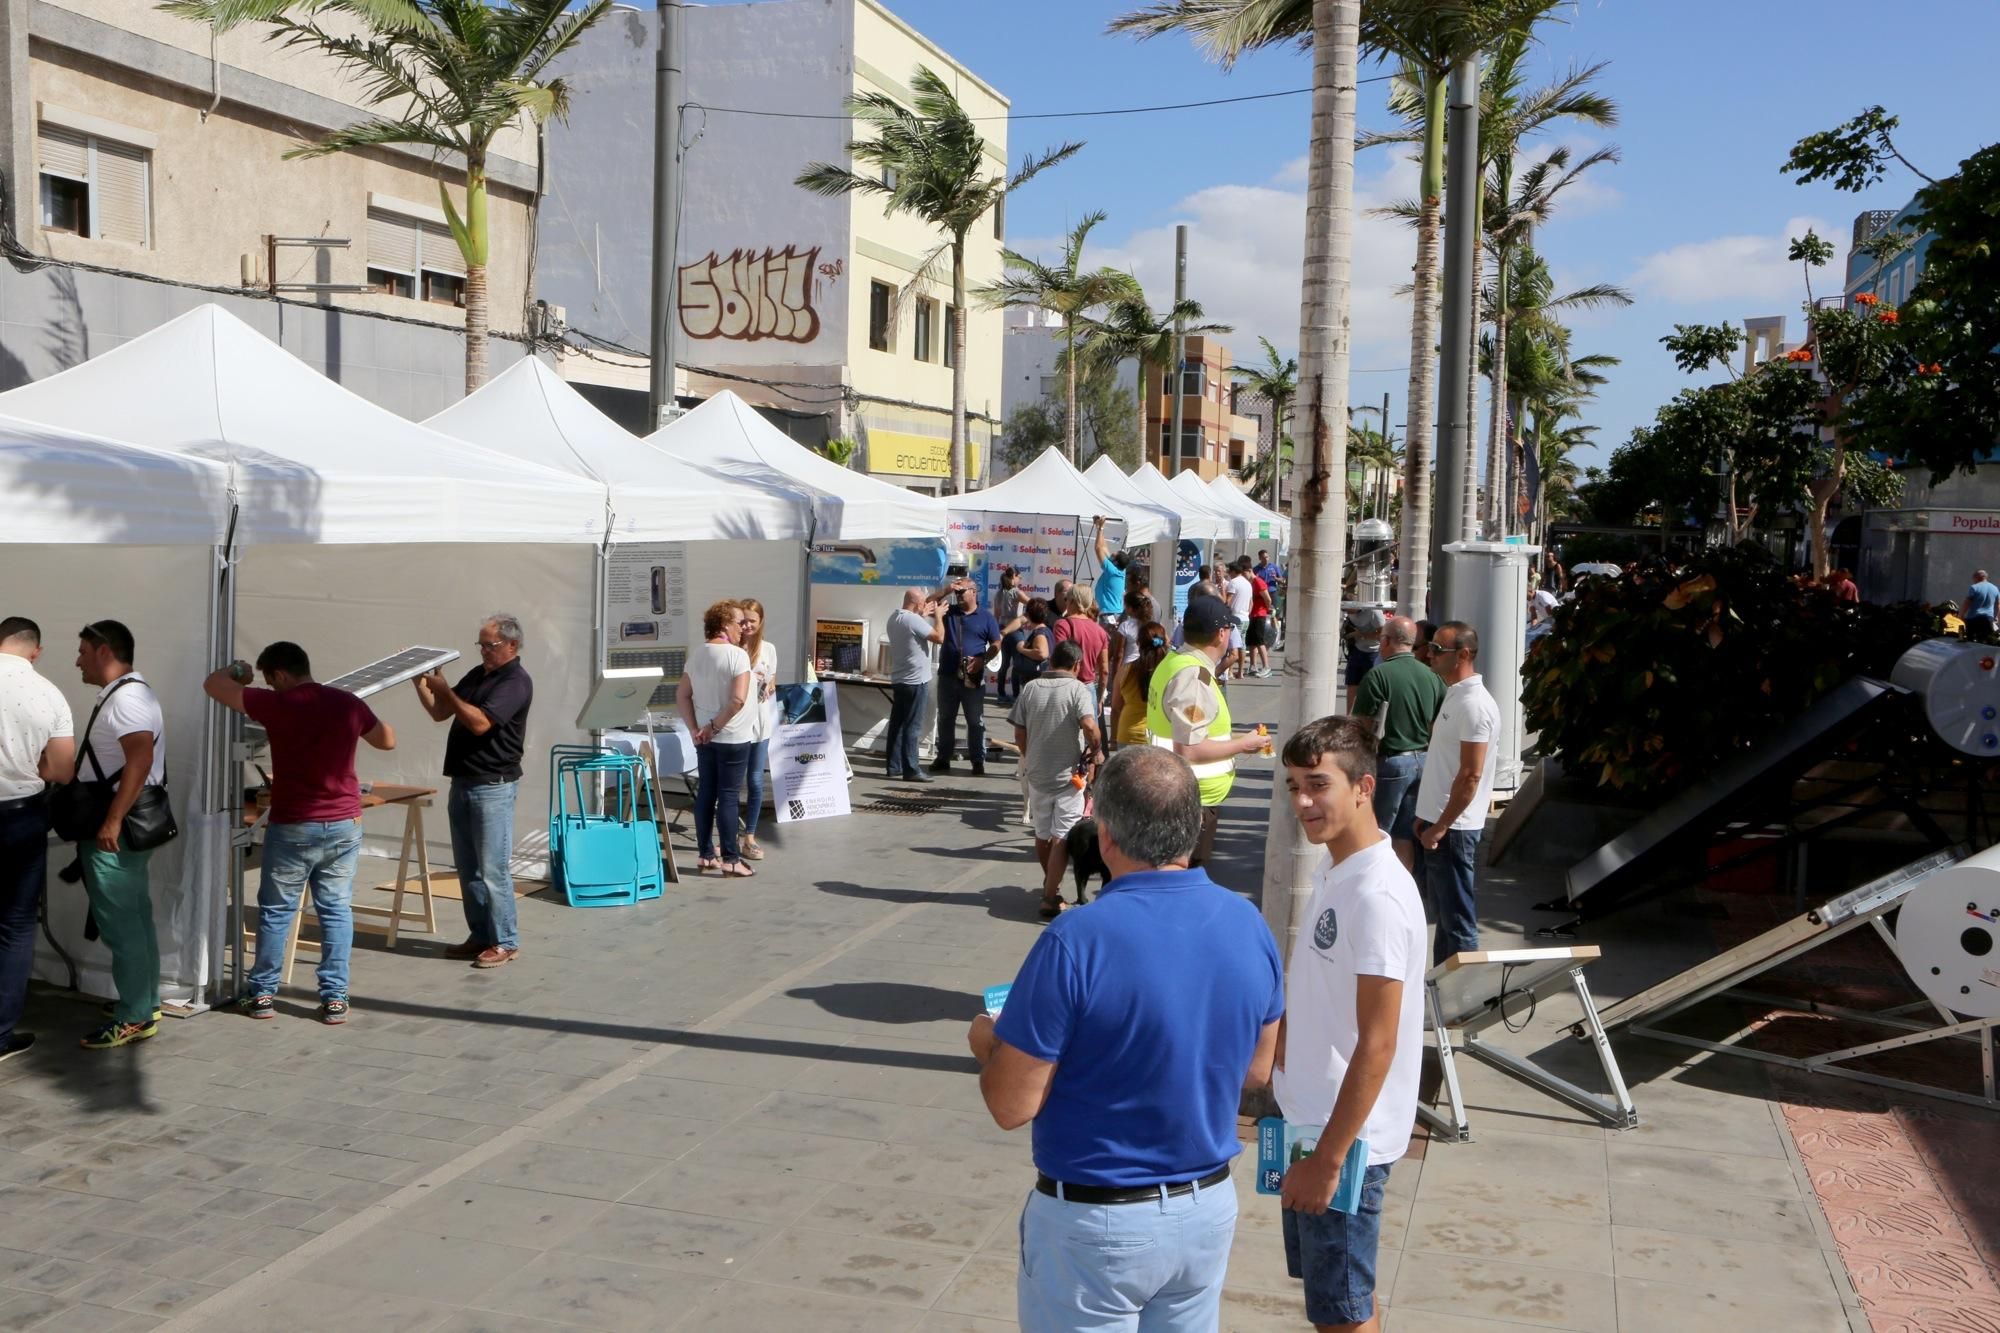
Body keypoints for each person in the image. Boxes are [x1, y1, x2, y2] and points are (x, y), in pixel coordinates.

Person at [967, 747, 1283, 1333]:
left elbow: (1011, 1105)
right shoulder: (1248, 924)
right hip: (1205, 1208)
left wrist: (988, 1040)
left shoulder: (1076, 940)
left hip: (1098, 1221)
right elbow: (1256, 1076)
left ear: (1105, 835)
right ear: (1192, 827)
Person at [1272, 716, 1427, 1333]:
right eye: (1292, 786)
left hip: (1343, 1143)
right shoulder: (1342, 870)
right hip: (1311, 1126)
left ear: (1364, 787)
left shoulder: (1378, 895)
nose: (1303, 802)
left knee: (1342, 1315)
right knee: (1340, 1299)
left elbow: (1379, 1042)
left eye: (1318, 784)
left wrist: (1329, 1160)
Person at [206, 642, 394, 1024]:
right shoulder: (347, 703)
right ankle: (335, 998)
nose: (269, 687)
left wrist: (238, 672)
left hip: (294, 824)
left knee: (277, 911)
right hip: (344, 823)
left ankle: (261, 995)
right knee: (336, 910)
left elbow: (213, 685)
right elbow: (387, 739)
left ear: (279, 675)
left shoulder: (278, 704)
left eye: (269, 681)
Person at [415, 613, 533, 968]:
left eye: (489, 645)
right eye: (480, 644)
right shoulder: (479, 674)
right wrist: (419, 683)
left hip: (492, 785)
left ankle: (506, 940)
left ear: (511, 645)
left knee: (493, 868)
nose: (483, 650)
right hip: (464, 781)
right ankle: (481, 934)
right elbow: (440, 712)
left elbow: (481, 723)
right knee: (468, 868)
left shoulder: (515, 681)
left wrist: (446, 691)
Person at [69, 620, 166, 1048]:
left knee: (122, 924)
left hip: (117, 826)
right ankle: (144, 1001)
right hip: (125, 822)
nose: (78, 661)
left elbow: (139, 759)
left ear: (105, 651)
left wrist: (111, 821)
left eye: (84, 651)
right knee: (136, 918)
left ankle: (135, 1015)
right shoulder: (130, 694)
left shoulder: (126, 699)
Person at [0, 618, 75, 1063]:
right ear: (36, 651)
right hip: (20, 815)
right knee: (15, 926)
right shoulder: (49, 693)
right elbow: (62, 771)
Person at [1147, 595, 1268, 866]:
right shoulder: (1193, 677)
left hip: (1174, 789)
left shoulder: (1174, 663)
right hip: (1192, 798)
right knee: (1183, 878)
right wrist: (1243, 744)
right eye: (1230, 629)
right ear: (1221, 633)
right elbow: (1189, 748)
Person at [1411, 621, 1499, 965]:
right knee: (1447, 920)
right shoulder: (1456, 694)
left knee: (1459, 921)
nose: (1429, 654)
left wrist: (1441, 825)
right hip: (1440, 824)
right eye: (1429, 646)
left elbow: (1470, 775)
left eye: (1437, 649)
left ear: (1463, 654)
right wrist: (1427, 816)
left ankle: (1461, 1004)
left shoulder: (1475, 706)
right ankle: (1442, 998)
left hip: (1454, 830)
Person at [1010, 641, 1103, 921]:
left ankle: (1051, 884)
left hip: (1037, 772)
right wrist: (1096, 748)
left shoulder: (1031, 688)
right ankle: (1049, 897)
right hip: (1068, 776)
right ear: (1076, 666)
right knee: (1062, 836)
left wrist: (1028, 756)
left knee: (1042, 832)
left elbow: (1019, 732)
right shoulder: (1078, 690)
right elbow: (1089, 725)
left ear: (1051, 663)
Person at [1347, 617, 1446, 876]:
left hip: (1391, 762)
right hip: (1423, 761)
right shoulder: (1432, 677)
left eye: (1382, 639)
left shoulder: (1378, 675)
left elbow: (1361, 726)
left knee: (1376, 832)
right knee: (1406, 834)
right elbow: (1441, 723)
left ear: (1387, 641)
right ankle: (1403, 887)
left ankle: (1374, 885)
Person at [677, 601, 756, 877]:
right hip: (730, 736)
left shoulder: (697, 655)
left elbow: (682, 695)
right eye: (738, 623)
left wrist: (695, 729)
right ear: (724, 625)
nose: (743, 628)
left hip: (705, 737)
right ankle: (732, 859)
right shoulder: (737, 656)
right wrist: (713, 726)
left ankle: (706, 854)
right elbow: (738, 700)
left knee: (706, 794)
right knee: (729, 795)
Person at [934, 579, 1001, 775]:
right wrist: (947, 589)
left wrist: (983, 659)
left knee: (975, 721)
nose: (958, 594)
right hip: (948, 675)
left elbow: (996, 643)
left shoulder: (986, 618)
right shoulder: (949, 611)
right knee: (946, 718)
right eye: (957, 592)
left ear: (974, 592)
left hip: (973, 677)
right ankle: (943, 758)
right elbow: (928, 603)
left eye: (962, 591)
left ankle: (977, 761)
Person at [885, 587, 944, 783]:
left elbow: (913, 624)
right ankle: (911, 768)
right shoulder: (913, 620)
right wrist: (938, 617)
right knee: (912, 725)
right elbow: (939, 637)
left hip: (900, 679)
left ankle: (894, 766)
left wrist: (922, 614)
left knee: (898, 724)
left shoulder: (895, 618)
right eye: (922, 604)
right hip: (915, 680)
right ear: (917, 604)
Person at [735, 599, 778, 862]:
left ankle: (749, 836)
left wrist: (770, 684)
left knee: (754, 781)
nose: (748, 625)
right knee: (729, 784)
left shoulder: (768, 649)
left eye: (752, 620)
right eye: (744, 620)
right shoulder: (731, 648)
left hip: (760, 724)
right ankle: (727, 836)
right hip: (736, 724)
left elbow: (772, 676)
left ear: (761, 621)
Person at [1108, 588, 1159, 747]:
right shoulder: (1152, 626)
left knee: (1118, 706)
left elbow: (1118, 653)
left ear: (1130, 608)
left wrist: (1115, 673)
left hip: (1128, 668)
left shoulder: (1125, 626)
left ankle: (1114, 737)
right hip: (1150, 666)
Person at [1050, 586, 1112, 710]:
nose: (1065, 602)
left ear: (1073, 601)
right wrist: (1099, 699)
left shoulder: (1063, 625)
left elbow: (1059, 660)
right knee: (1089, 728)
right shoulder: (1100, 632)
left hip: (1066, 687)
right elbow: (1104, 670)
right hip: (1089, 689)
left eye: (1067, 599)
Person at [1115, 622, 1170, 751]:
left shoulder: (1125, 670)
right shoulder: (1168, 670)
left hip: (1128, 734)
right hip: (1160, 736)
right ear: (1164, 641)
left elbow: (1116, 706)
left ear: (1138, 644)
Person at [995, 569, 1027, 703]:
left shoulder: (999, 593)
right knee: (1017, 664)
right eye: (1019, 577)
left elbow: (996, 614)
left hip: (1002, 629)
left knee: (1003, 664)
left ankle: (1001, 695)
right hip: (1015, 630)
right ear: (1014, 577)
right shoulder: (1017, 592)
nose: (1020, 579)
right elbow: (1032, 604)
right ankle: (1015, 695)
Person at [1013, 597, 1055, 697]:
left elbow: (1042, 653)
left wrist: (1021, 649)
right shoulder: (1045, 631)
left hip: (1037, 684)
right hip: (1039, 682)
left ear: (1028, 614)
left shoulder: (1040, 633)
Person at [1090, 516, 1129, 623]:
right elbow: (1103, 547)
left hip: (1110, 614)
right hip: (1112, 613)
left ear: (1115, 562)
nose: (1110, 555)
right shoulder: (1118, 569)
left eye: (1112, 555)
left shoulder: (1112, 571)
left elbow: (1098, 549)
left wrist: (1100, 528)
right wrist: (1099, 527)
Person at [1223, 559, 1255, 680]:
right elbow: (1251, 603)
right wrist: (1247, 613)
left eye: (1229, 571)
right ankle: (1240, 672)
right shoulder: (1248, 583)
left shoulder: (1233, 583)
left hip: (1235, 617)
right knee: (1242, 645)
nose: (1228, 574)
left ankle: (1230, 671)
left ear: (1233, 571)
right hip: (1245, 617)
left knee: (1232, 645)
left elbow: (1228, 601)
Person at [1344, 604, 1386, 691]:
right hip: (1356, 650)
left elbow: (1382, 635)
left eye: (1348, 610)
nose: (1347, 613)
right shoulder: (1349, 612)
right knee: (1351, 684)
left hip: (1373, 652)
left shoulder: (1373, 611)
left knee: (1370, 686)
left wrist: (1360, 635)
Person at [1247, 563, 1275, 678]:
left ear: (1249, 570)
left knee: (1259, 641)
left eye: (1244, 573)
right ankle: (1253, 666)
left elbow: (1267, 598)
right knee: (1252, 642)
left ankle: (1266, 667)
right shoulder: (1251, 583)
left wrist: (1268, 609)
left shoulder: (1258, 582)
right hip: (1253, 615)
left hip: (1260, 614)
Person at [1968, 570, 2000, 639]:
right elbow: (1997, 605)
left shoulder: (1974, 587)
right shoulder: (1995, 588)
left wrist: (1960, 615)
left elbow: (1967, 603)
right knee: (1987, 640)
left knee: (1971, 642)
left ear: (1976, 577)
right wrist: (1996, 617)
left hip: (1974, 619)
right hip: (1988, 620)